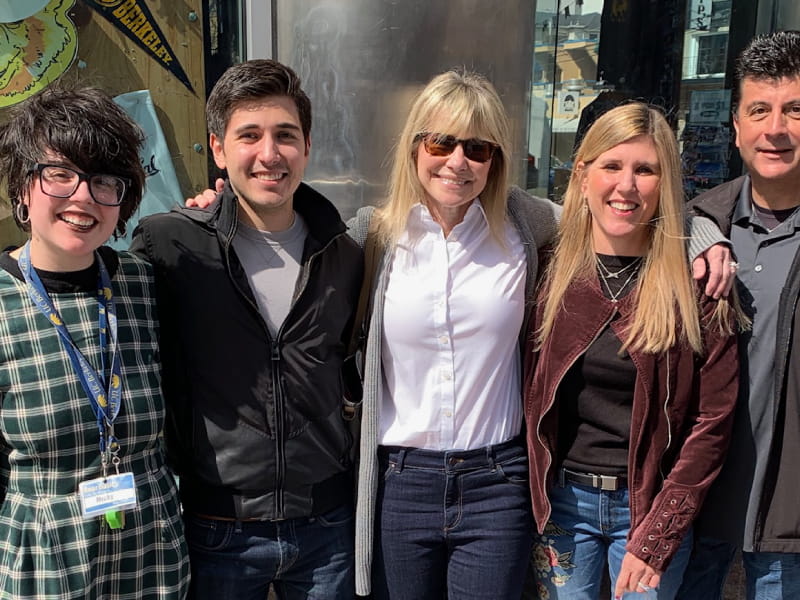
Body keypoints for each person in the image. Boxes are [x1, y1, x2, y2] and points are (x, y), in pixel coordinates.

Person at [343, 73, 734, 600]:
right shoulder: (373, 234)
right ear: (415, 146)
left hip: (496, 481)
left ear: (495, 160)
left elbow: (626, 209)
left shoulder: (527, 226)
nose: (458, 161)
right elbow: (290, 235)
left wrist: (704, 239)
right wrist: (215, 207)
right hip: (402, 479)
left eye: (477, 148)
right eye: (441, 142)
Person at [130, 59, 363, 599]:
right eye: (249, 136)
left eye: (285, 135)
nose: (269, 154)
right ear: (217, 148)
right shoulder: (170, 246)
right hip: (216, 528)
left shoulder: (344, 253)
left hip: (326, 527)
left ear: (306, 146)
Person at [523, 102, 743, 600]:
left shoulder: (697, 287)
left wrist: (658, 535)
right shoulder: (546, 271)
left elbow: (713, 424)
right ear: (582, 175)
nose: (626, 185)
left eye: (645, 169)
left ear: (665, 183)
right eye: (611, 166)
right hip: (561, 505)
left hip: (648, 507)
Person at [0, 86, 189, 598]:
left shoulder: (144, 283)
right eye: (59, 174)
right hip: (45, 561)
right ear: (22, 188)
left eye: (104, 181)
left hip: (152, 557)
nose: (83, 197)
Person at [677, 30, 800, 600]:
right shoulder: (700, 224)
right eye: (760, 110)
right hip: (699, 506)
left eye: (795, 110)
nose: (776, 128)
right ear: (736, 126)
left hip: (789, 515)